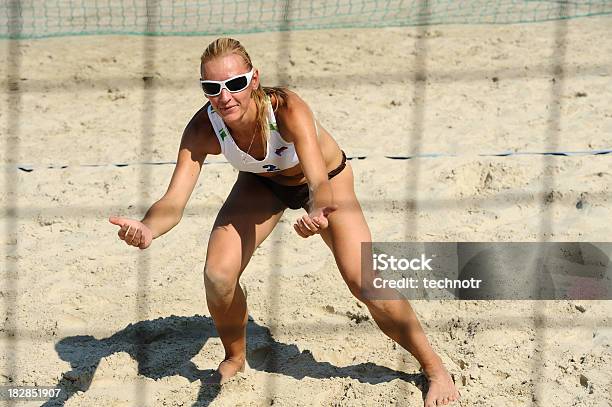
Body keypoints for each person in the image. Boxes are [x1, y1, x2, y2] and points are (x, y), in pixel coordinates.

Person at [109, 37, 459, 406]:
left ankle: (434, 368)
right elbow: (173, 201)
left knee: (365, 282)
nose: (224, 96)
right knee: (218, 275)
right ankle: (234, 356)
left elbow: (319, 181)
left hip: (325, 181)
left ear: (254, 79)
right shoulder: (204, 126)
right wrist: (149, 227)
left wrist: (317, 210)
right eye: (212, 88)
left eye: (235, 83)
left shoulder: (287, 109)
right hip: (264, 184)